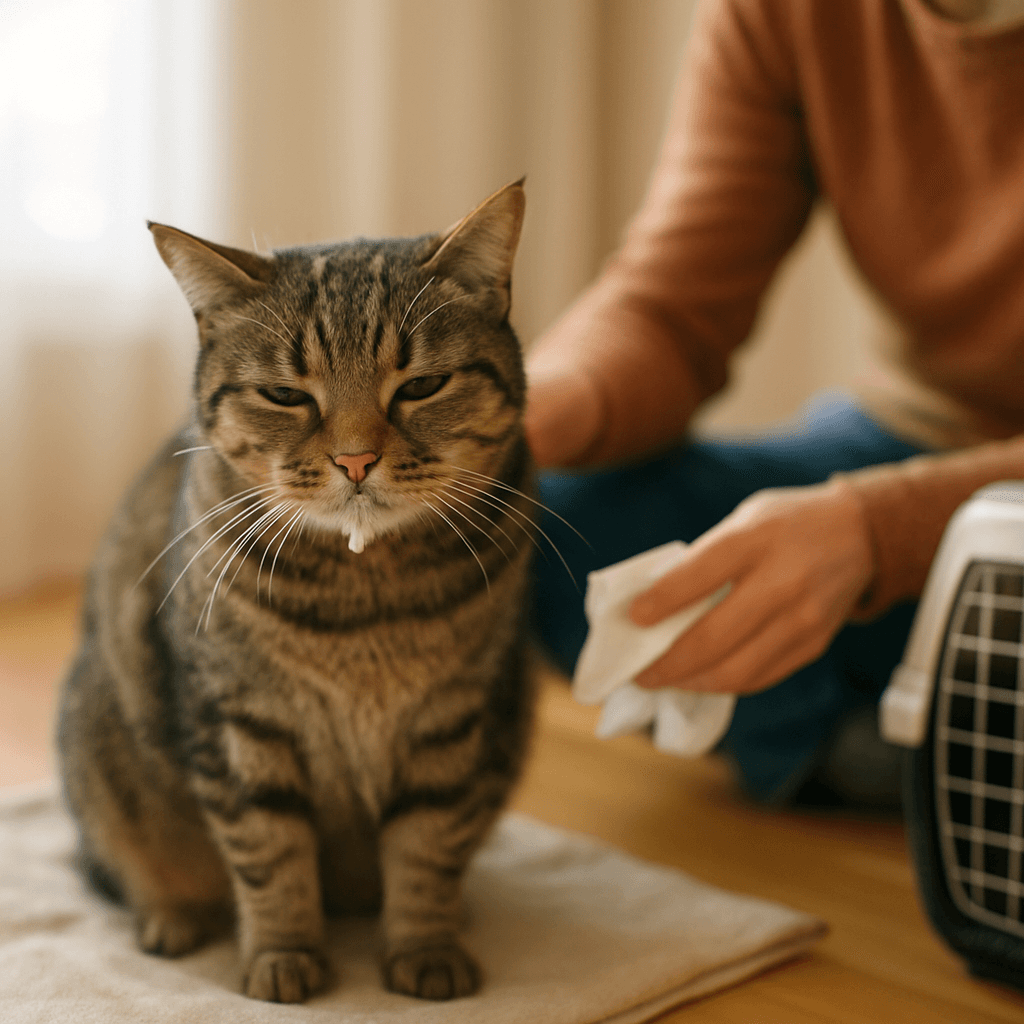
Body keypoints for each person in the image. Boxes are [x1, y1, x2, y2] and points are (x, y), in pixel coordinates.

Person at [524, 0, 1024, 807]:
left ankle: (899, 739)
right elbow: (669, 305)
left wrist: (875, 532)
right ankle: (869, 749)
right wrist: (521, 415)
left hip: (991, 508)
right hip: (907, 438)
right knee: (549, 514)